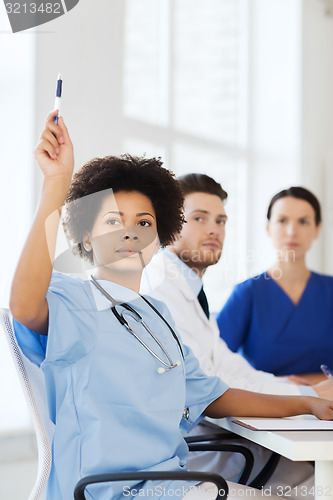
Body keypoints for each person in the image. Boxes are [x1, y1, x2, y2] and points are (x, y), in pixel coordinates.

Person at [10, 114, 333, 500]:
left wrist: (305, 402)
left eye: (144, 223)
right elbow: (24, 306)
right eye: (113, 220)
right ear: (86, 235)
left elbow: (212, 396)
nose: (130, 232)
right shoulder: (74, 298)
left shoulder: (157, 314)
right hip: (113, 492)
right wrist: (55, 185)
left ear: (159, 236)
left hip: (176, 485)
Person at [140, 173, 333, 496]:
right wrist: (310, 398)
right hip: (187, 450)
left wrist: (312, 392)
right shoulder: (160, 289)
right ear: (169, 224)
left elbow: (232, 369)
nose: (214, 229)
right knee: (318, 483)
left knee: (314, 474)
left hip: (209, 438)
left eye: (221, 220)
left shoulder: (189, 292)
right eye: (199, 218)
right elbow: (210, 390)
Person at [216, 187, 333, 377]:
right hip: (267, 404)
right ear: (268, 228)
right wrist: (286, 387)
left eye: (303, 222)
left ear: (317, 229)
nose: (291, 231)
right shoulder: (247, 294)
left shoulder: (330, 291)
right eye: (282, 220)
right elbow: (214, 365)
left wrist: (313, 384)